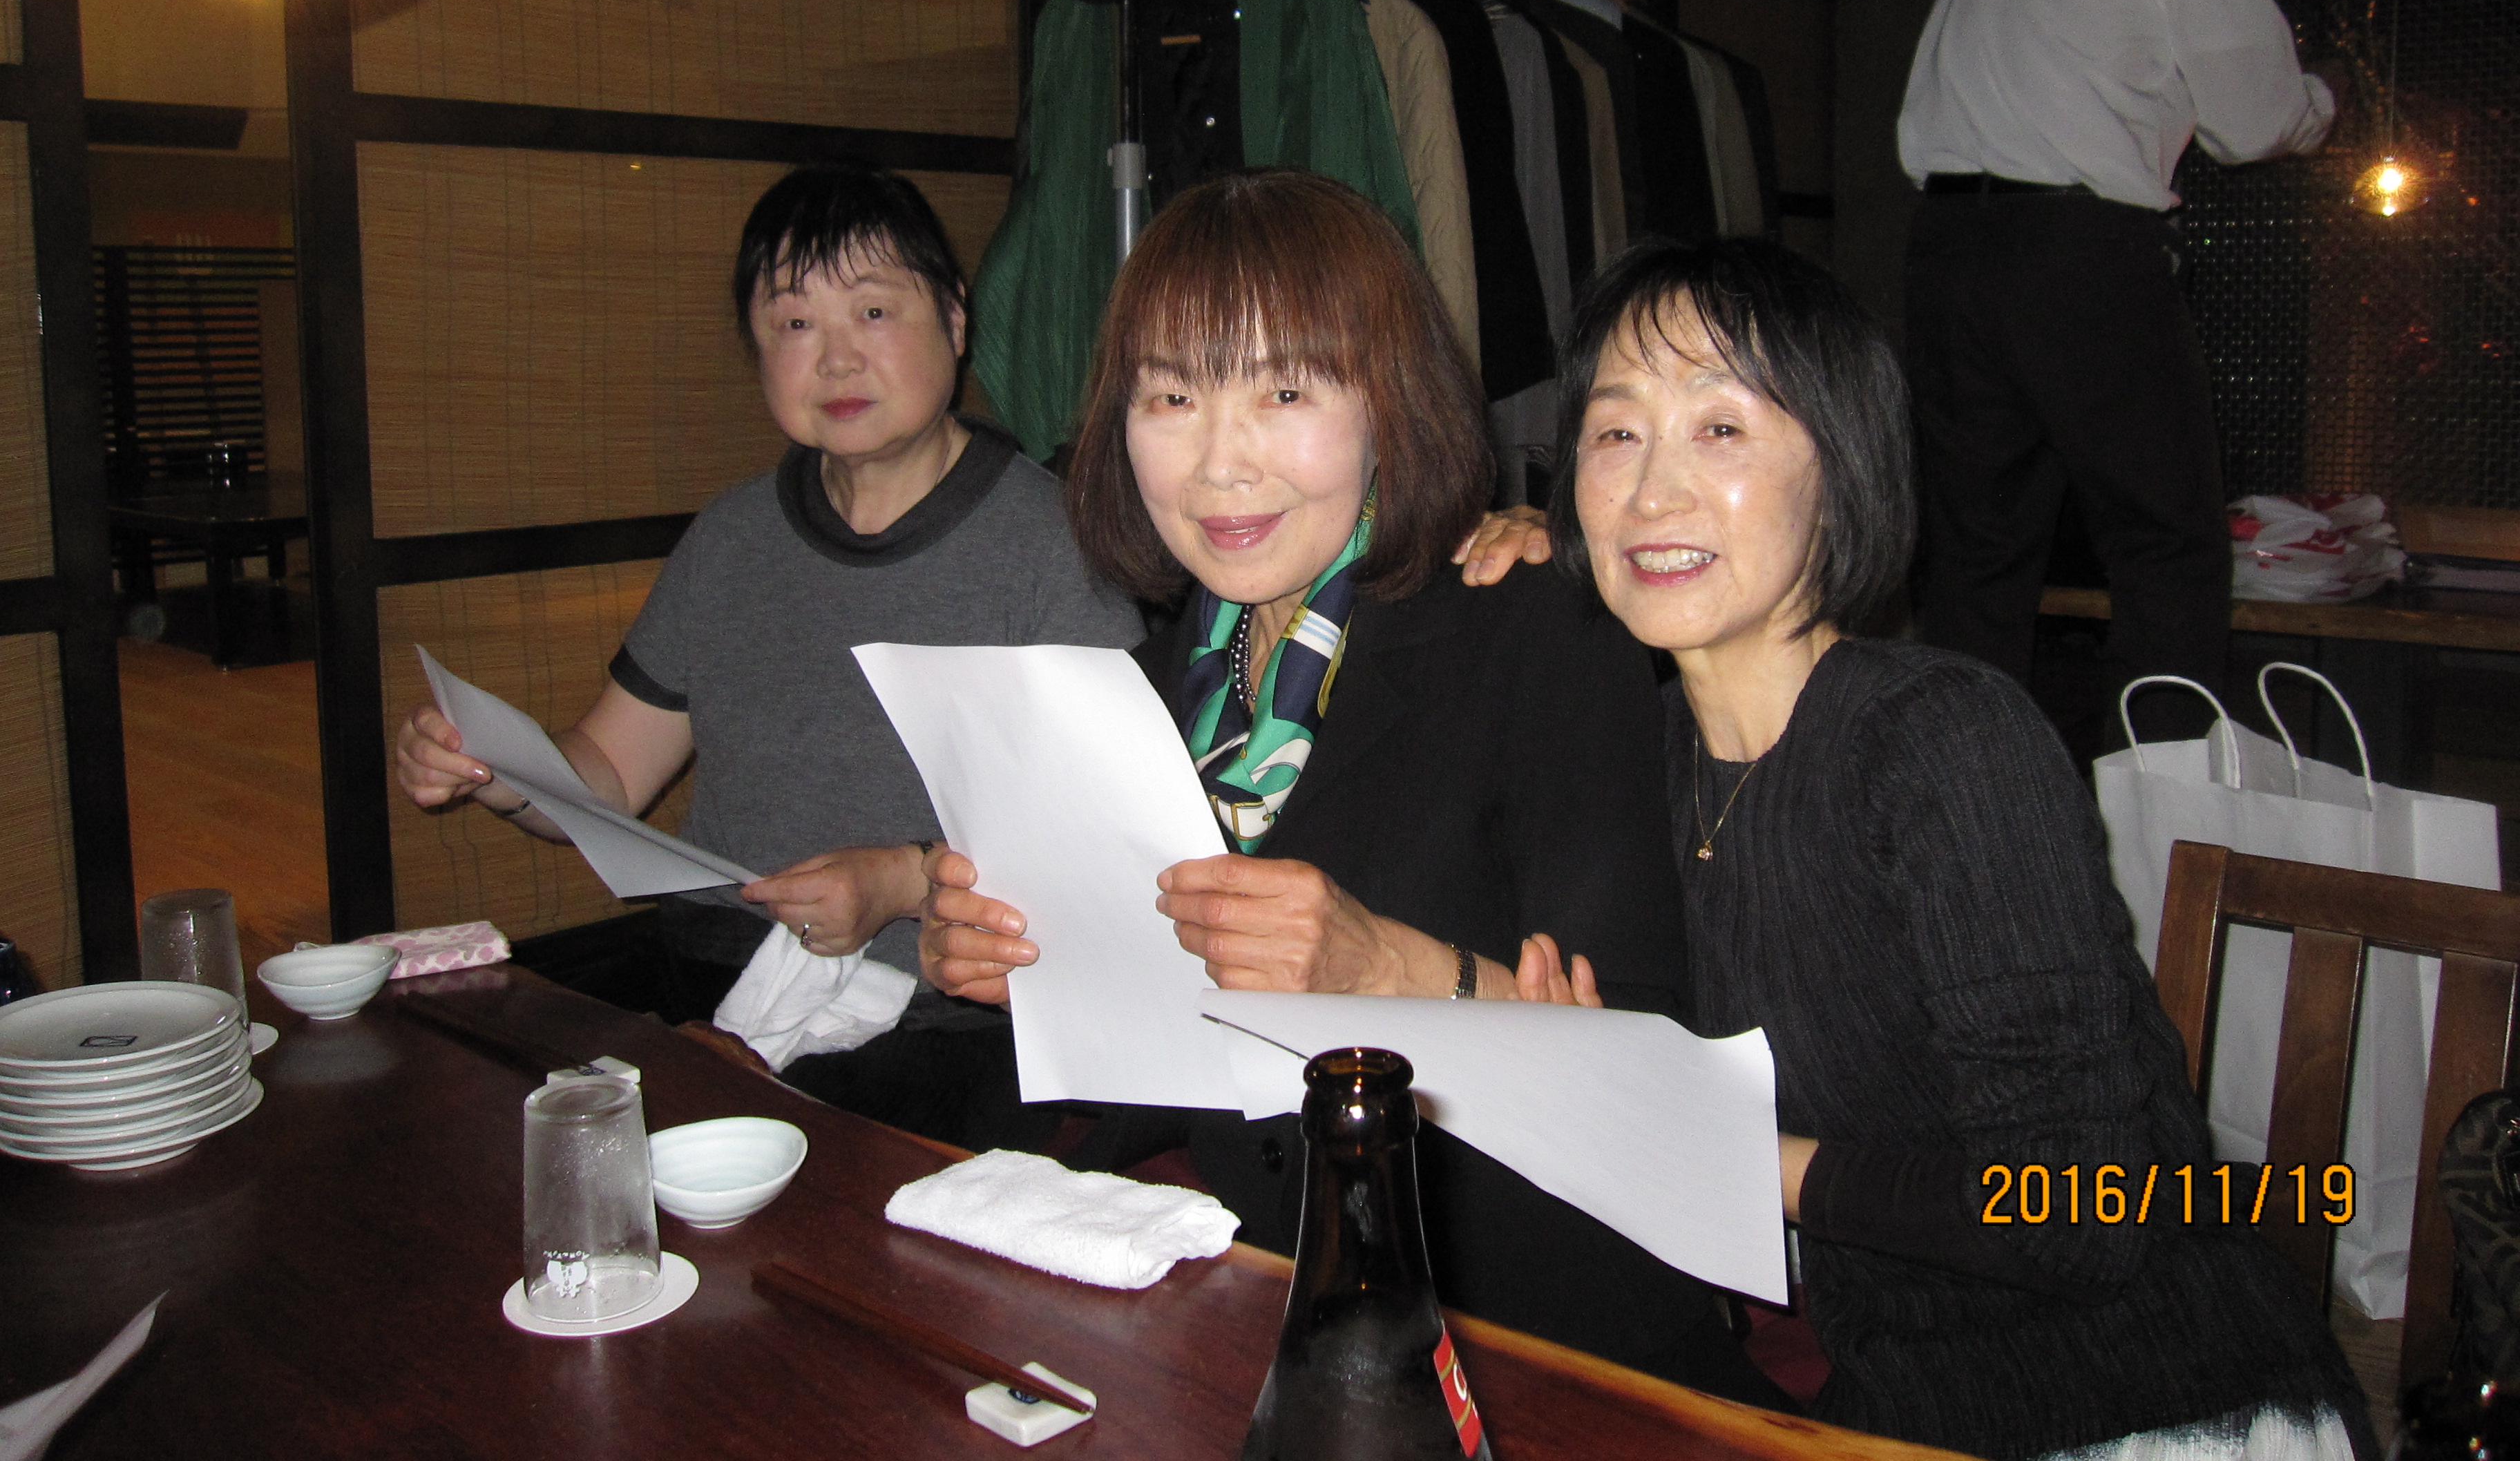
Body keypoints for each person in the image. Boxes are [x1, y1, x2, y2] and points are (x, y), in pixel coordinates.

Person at [917, 170, 1785, 1405]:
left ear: (1387, 400)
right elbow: (1181, 1063)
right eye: (1172, 396)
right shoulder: (1157, 687)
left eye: (1283, 392)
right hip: (1272, 1318)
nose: (1221, 464)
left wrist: (1384, 965)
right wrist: (1023, 970)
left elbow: (1653, 1055)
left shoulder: (1532, 626)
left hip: (1541, 1341)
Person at [1529, 234, 2373, 1460]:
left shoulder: (1940, 739)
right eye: (1616, 433)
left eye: (1720, 428)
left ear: (1843, 473)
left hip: (2162, 1408)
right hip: (1902, 1408)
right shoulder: (1653, 759)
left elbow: (2080, 1212)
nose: (1652, 492)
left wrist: (1721, 1154)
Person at [393, 162, 1145, 1145]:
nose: (836, 359)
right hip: (716, 986)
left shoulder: (1056, 543)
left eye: (873, 311)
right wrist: (492, 767)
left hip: (948, 1021)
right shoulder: (732, 539)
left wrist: (903, 882)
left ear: (956, 321)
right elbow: (607, 775)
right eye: (794, 323)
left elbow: (1107, 839)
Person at [1897, 0, 2342, 710]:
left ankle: (1963, 784)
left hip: (1947, 247)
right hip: (2081, 250)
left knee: (1977, 551)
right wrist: (2325, 98)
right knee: (2166, 541)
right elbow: (2253, 121)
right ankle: (2163, 790)